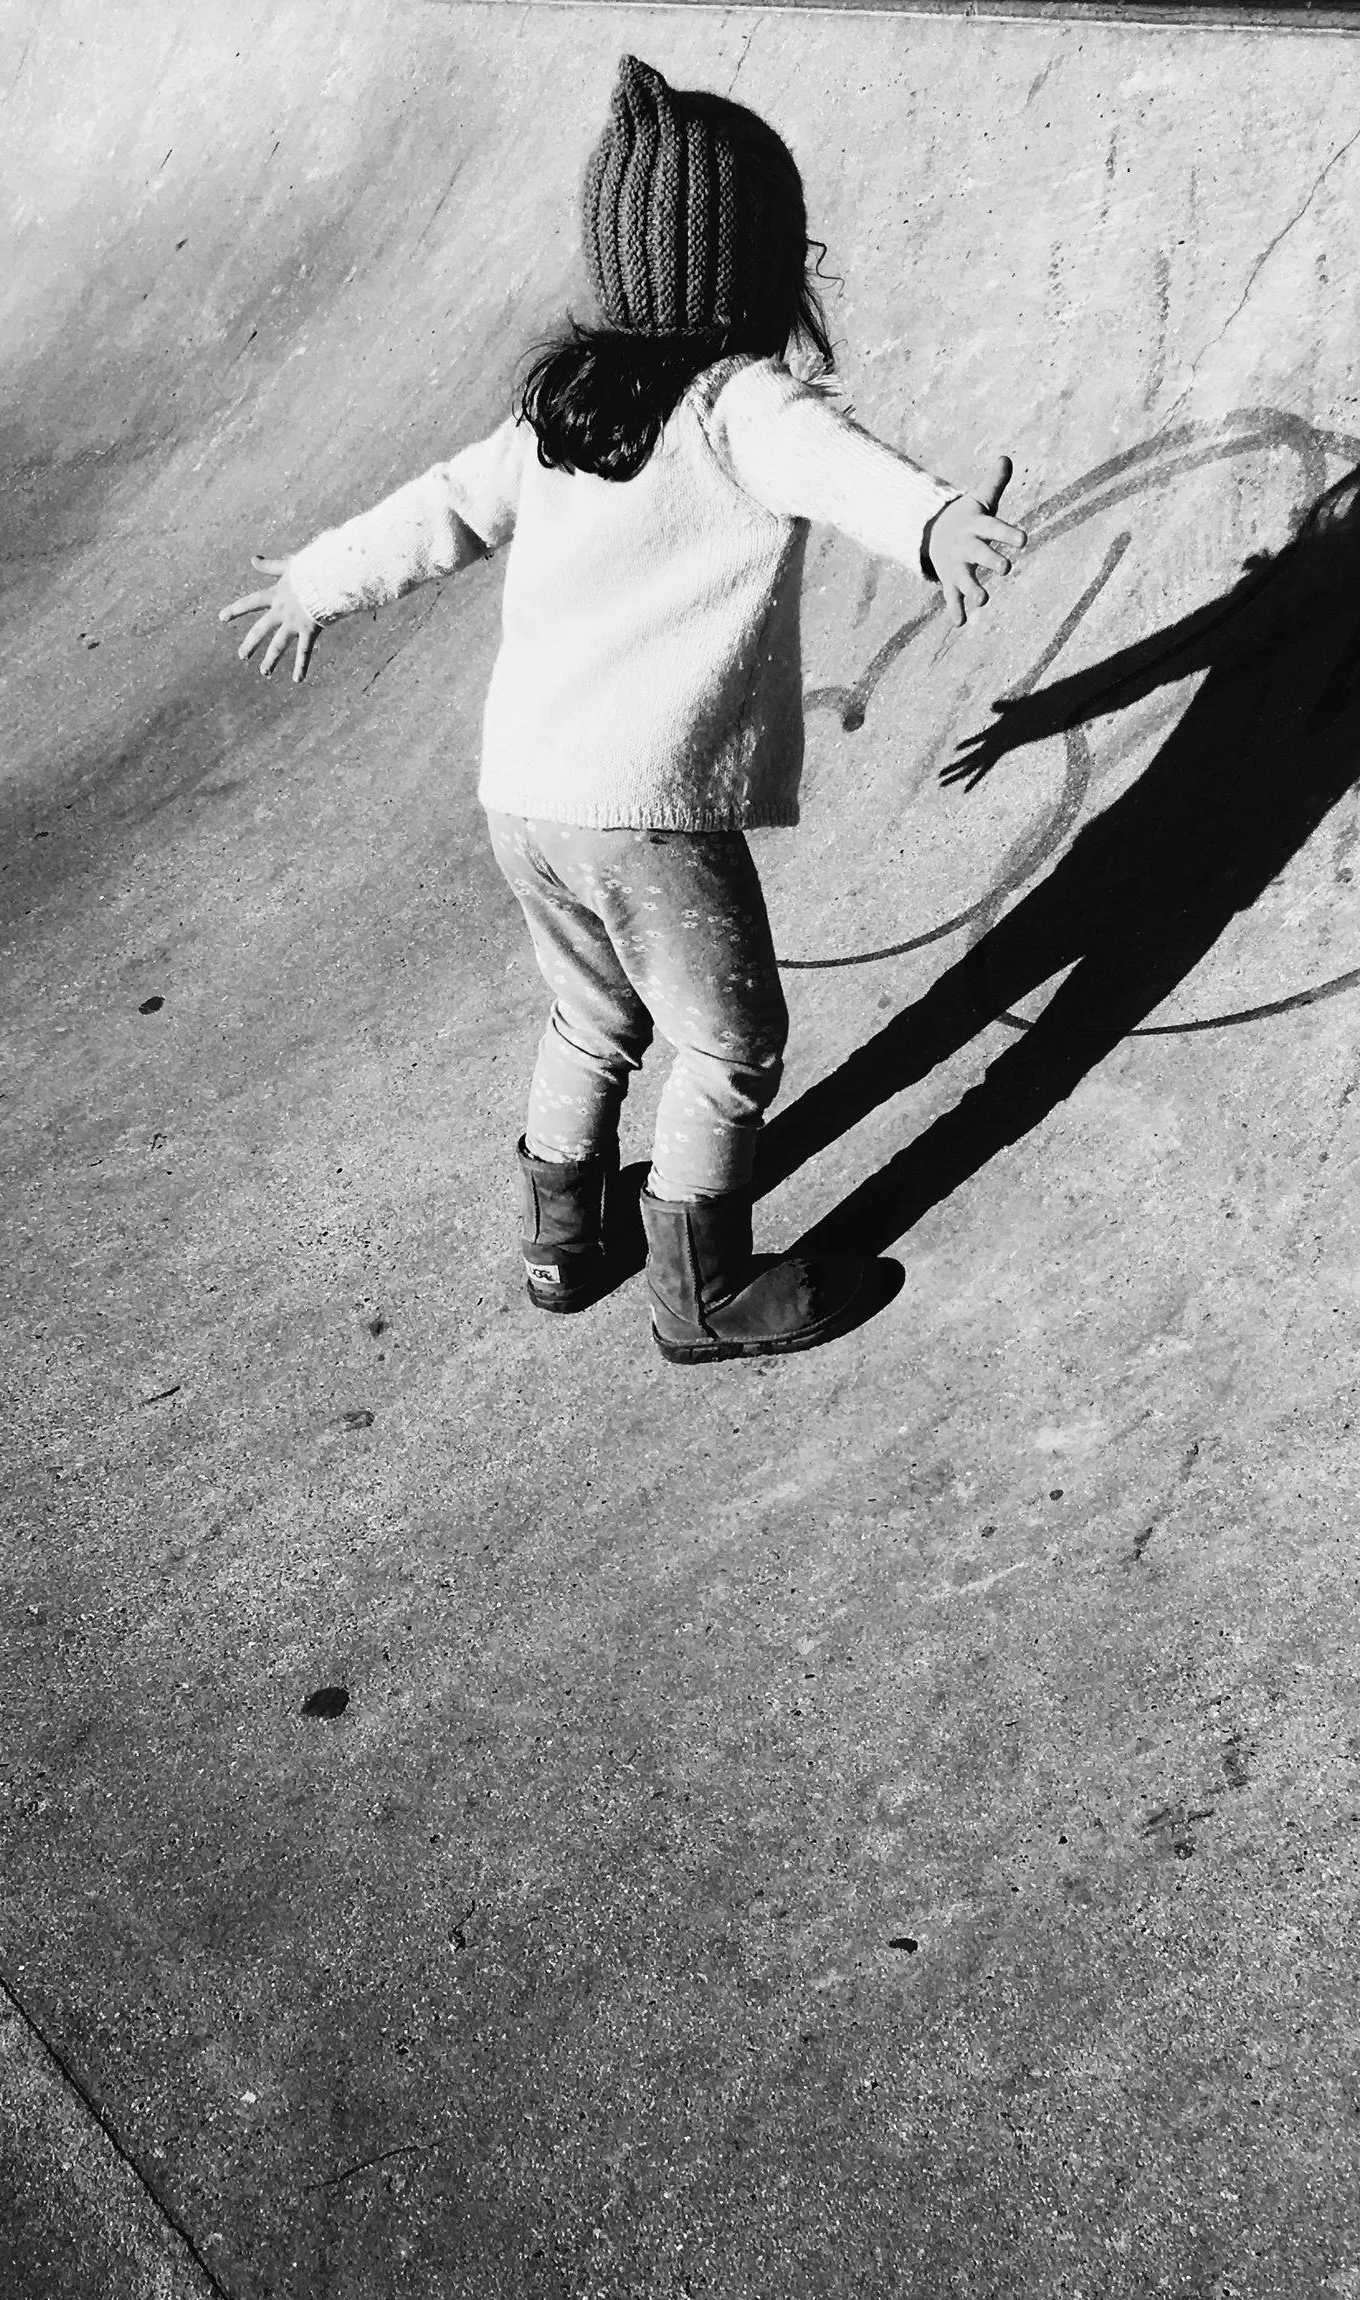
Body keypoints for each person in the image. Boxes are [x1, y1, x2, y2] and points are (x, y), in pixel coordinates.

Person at [221, 54, 1022, 1362]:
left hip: (523, 798)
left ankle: (561, 1240)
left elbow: (437, 512)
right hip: (642, 810)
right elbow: (836, 467)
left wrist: (314, 583)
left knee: (592, 1014)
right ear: (761, 269)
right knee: (733, 1037)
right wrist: (933, 524)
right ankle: (700, 1293)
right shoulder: (738, 406)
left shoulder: (555, 414)